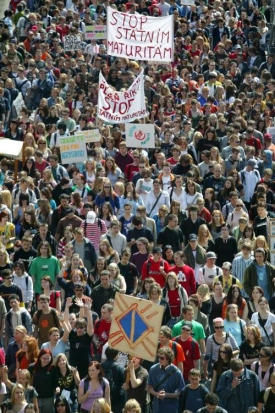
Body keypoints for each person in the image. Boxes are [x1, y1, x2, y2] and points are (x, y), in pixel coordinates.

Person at [148, 346, 185, 413]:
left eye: (162, 358)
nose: (159, 360)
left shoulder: (177, 373)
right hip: (157, 408)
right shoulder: (153, 369)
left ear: (168, 358)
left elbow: (180, 392)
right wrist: (156, 394)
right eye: (158, 357)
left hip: (171, 408)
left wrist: (166, 395)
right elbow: (149, 387)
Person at [67, 299, 94, 379]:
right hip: (74, 366)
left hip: (85, 367)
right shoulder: (72, 335)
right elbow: (66, 321)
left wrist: (88, 310)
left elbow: (90, 325)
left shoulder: (87, 337)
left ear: (84, 328)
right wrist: (66, 308)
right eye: (78, 327)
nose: (79, 329)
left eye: (82, 327)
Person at [101, 347, 125, 413]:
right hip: (117, 395)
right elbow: (124, 381)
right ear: (116, 356)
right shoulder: (119, 367)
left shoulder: (100, 366)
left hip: (102, 393)